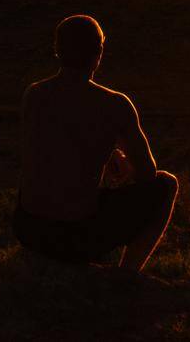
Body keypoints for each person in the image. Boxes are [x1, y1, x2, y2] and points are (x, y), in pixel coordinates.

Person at [14, 14, 178, 272]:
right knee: (166, 184)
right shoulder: (115, 105)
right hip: (74, 233)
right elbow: (147, 174)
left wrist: (107, 150)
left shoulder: (34, 94)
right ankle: (127, 275)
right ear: (99, 53)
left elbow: (58, 143)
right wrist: (120, 157)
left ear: (57, 51)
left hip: (28, 227)